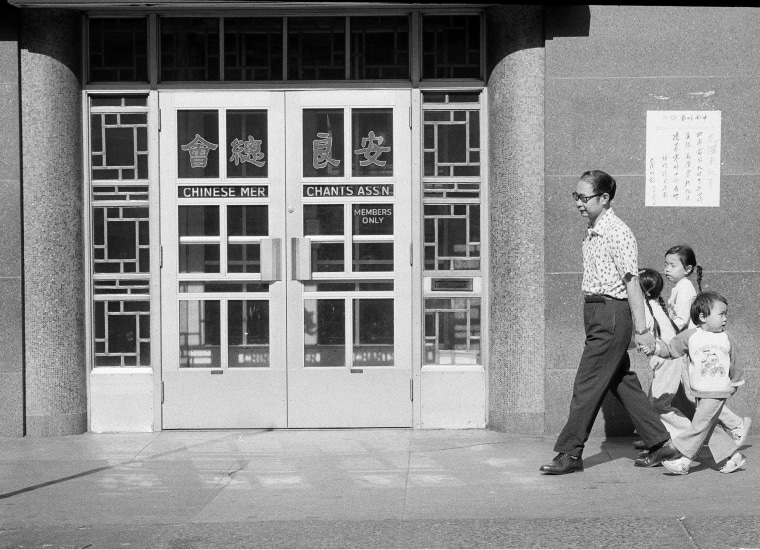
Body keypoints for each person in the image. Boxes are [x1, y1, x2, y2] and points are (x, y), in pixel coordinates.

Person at [539, 170, 678, 475]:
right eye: (575, 196)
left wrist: (643, 330)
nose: (578, 202)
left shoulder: (617, 231)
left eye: (584, 197)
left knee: (586, 385)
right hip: (597, 312)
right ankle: (660, 442)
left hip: (611, 314)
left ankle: (569, 452)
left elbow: (632, 283)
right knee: (621, 381)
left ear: (604, 198)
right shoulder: (594, 230)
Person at [647, 291, 747, 475]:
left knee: (699, 426)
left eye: (726, 314)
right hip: (700, 392)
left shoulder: (726, 337)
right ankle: (732, 458)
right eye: (721, 314)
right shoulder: (691, 336)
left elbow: (735, 361)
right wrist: (655, 348)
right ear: (703, 316)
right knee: (707, 427)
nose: (725, 318)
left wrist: (734, 383)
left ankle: (683, 460)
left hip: (718, 392)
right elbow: (672, 350)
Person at [662, 245, 751, 447]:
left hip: (694, 350)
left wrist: (663, 333)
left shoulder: (684, 287)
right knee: (697, 396)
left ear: (687, 269)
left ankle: (734, 425)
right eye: (665, 264)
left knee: (698, 395)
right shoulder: (680, 286)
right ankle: (724, 430)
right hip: (691, 349)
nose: (667, 269)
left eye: (672, 265)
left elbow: (681, 320)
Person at [637, 268, 691, 439]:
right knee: (654, 401)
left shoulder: (644, 308)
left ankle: (687, 435)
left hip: (667, 359)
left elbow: (643, 334)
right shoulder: (653, 304)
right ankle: (657, 436)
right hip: (667, 357)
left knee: (658, 405)